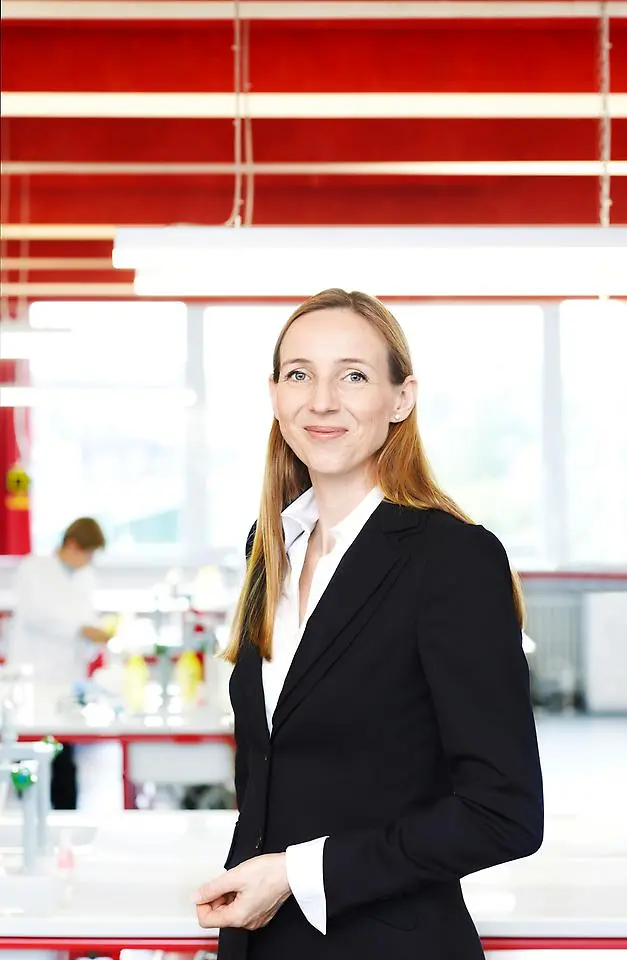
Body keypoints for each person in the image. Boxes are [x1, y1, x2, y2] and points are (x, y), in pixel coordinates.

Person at [196, 289, 544, 960]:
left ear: (400, 398)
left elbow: (501, 814)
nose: (320, 400)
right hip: (260, 944)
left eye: (352, 375)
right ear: (274, 393)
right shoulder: (268, 548)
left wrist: (295, 874)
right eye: (299, 374)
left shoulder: (451, 558)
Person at [8, 516, 109, 808]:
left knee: (63, 757)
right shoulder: (33, 569)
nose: (89, 561)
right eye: (87, 553)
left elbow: (86, 619)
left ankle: (65, 825)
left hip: (66, 679)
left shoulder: (86, 577)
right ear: (72, 544)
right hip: (33, 677)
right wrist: (81, 628)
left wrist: (92, 634)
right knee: (32, 760)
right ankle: (25, 823)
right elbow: (37, 615)